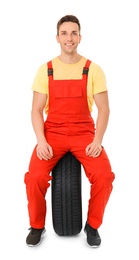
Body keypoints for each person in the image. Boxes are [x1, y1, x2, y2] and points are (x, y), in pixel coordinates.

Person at [24, 14, 115, 248]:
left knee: (104, 176)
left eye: (74, 32)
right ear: (57, 37)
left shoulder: (92, 69)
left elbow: (103, 110)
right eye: (64, 33)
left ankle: (92, 226)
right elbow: (36, 110)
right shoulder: (46, 69)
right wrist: (41, 141)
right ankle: (37, 225)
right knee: (34, 177)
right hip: (52, 133)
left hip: (84, 134)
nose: (69, 37)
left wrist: (97, 140)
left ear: (80, 37)